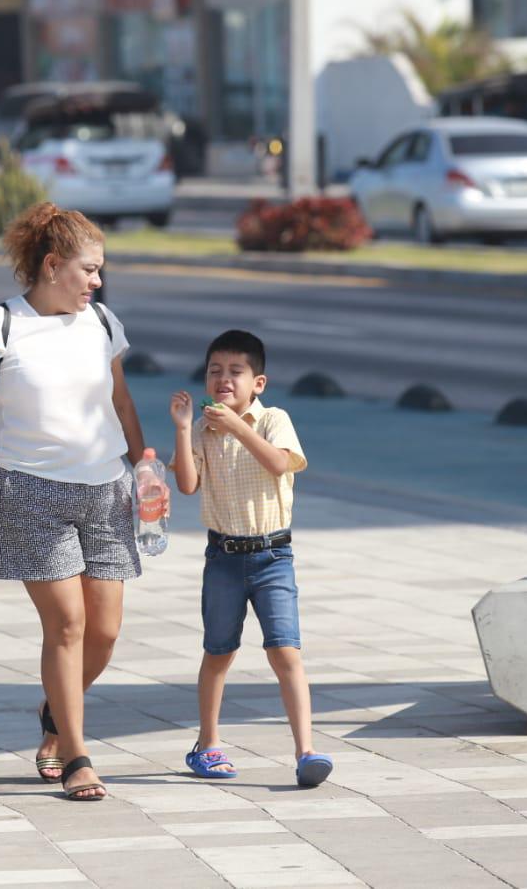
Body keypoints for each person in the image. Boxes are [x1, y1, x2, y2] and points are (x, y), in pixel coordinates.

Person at [0, 203, 144, 802]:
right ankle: (79, 755)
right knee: (68, 625)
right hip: (26, 489)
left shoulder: (102, 322)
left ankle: (55, 714)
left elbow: (122, 402)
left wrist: (147, 464)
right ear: (53, 265)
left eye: (100, 270)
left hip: (108, 488)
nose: (97, 281)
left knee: (104, 633)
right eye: (88, 269)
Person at [169, 329, 333, 789]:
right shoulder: (203, 428)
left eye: (235, 372)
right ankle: (207, 744)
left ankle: (306, 751)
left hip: (273, 555)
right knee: (219, 652)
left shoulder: (274, 419)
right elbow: (186, 484)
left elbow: (279, 463)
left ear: (257, 383)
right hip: (223, 556)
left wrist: (238, 427)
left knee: (286, 650)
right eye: (215, 371)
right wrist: (184, 429)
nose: (224, 379)